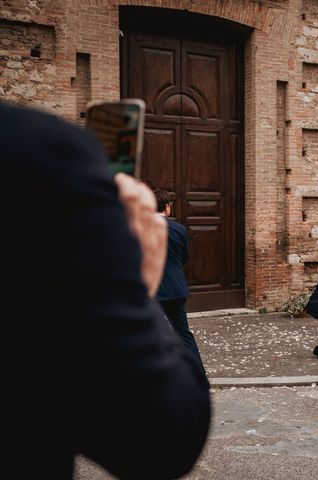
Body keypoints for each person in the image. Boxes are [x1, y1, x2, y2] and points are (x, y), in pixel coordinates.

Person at [2, 101, 210, 479]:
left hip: (166, 291)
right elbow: (163, 442)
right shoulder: (37, 146)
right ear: (170, 207)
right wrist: (134, 278)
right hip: (172, 291)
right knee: (181, 331)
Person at [154, 188, 206, 374]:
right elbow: (184, 256)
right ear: (167, 208)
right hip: (176, 289)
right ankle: (197, 374)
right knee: (183, 334)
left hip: (152, 292)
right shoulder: (179, 229)